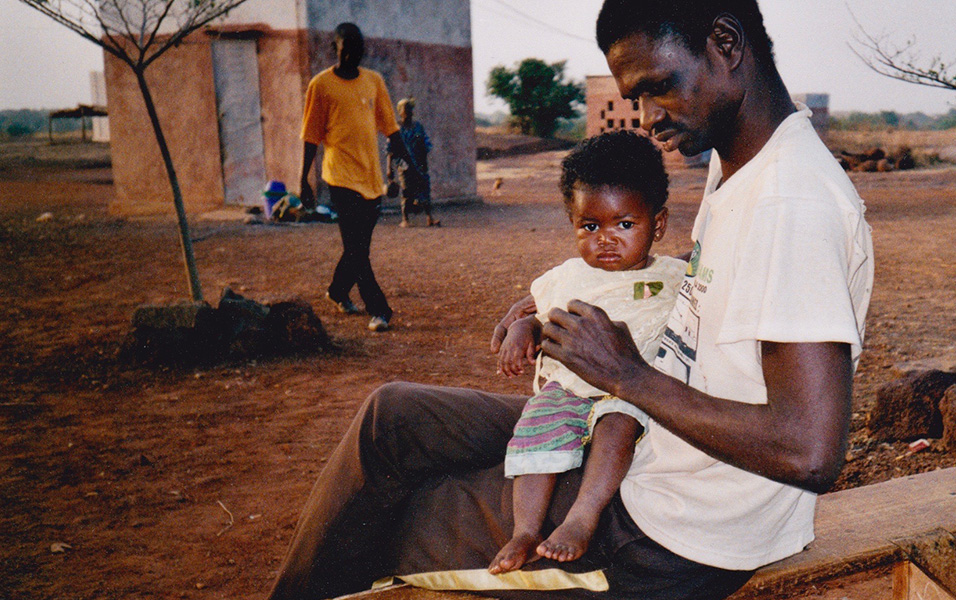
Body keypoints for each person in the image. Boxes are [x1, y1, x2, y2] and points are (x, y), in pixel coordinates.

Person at [267, 1, 873, 598]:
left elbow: (808, 450)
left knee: (385, 519)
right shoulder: (739, 167)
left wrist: (625, 373)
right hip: (645, 437)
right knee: (391, 417)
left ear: (725, 44)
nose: (647, 116)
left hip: (670, 531)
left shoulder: (790, 203)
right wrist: (549, 305)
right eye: (636, 96)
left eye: (658, 87)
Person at [489, 131, 685, 575]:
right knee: (536, 429)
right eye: (590, 227)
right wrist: (523, 328)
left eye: (624, 225)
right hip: (568, 388)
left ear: (658, 224)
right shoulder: (568, 276)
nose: (606, 240)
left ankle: (582, 517)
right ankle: (525, 529)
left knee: (619, 424)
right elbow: (541, 316)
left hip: (628, 390)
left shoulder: (675, 277)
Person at [300, 22, 409, 333]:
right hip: (339, 176)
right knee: (357, 247)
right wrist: (304, 180)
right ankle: (380, 309)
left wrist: (408, 165)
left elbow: (391, 128)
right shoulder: (320, 85)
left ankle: (337, 290)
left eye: (357, 48)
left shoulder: (374, 82)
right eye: (345, 48)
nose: (352, 54)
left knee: (357, 247)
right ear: (335, 49)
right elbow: (310, 137)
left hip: (371, 178)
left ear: (364, 50)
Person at [387, 97, 440, 227]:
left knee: (424, 189)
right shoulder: (396, 128)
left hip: (419, 162)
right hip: (403, 163)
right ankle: (405, 219)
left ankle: (429, 218)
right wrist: (389, 168)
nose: (408, 112)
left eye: (410, 109)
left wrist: (424, 162)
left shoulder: (418, 127)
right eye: (405, 110)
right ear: (400, 112)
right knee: (406, 190)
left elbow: (425, 144)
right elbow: (390, 150)